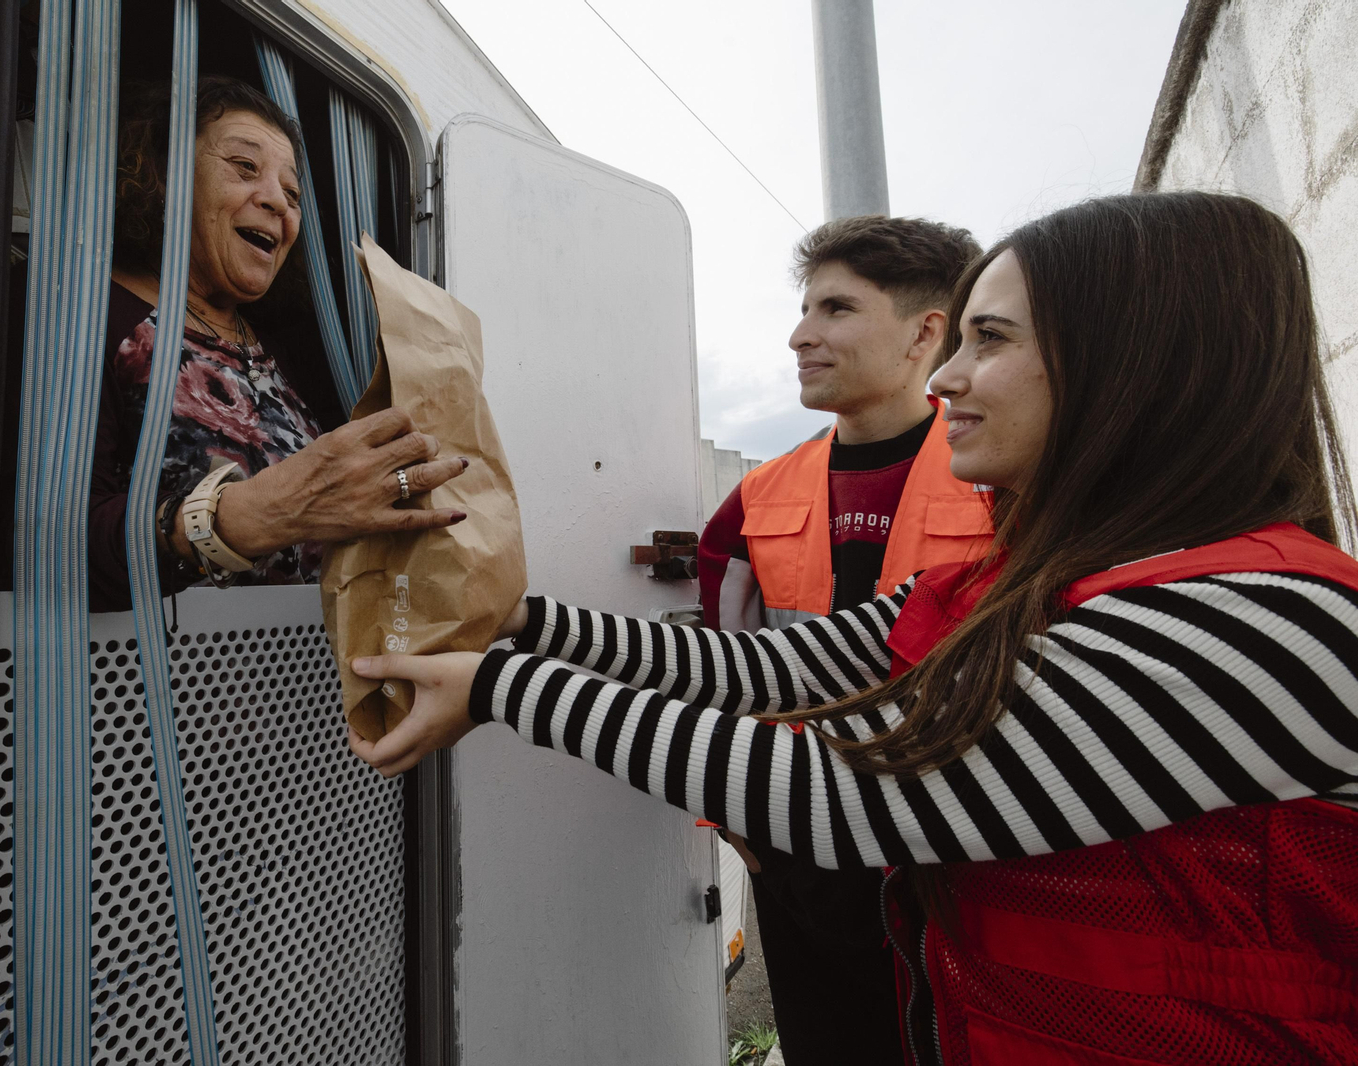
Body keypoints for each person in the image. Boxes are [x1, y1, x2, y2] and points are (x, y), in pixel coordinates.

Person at [347, 192, 1358, 1064]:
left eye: (989, 340)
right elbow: (768, 666)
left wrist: (499, 687)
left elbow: (859, 803)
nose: (947, 377)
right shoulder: (1032, 583)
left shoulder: (1264, 617)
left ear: (1138, 366)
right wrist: (520, 619)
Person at [698, 216, 984, 1065]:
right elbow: (716, 669)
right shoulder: (757, 496)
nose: (801, 334)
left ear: (925, 332)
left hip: (962, 852)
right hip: (797, 854)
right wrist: (733, 816)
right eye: (804, 308)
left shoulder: (1007, 479)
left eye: (836, 309)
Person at [88, 76, 466, 611]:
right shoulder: (87, 315)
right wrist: (252, 516)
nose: (277, 204)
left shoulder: (291, 349)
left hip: (307, 671)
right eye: (244, 168)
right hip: (148, 670)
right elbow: (50, 545)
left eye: (292, 194)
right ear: (164, 174)